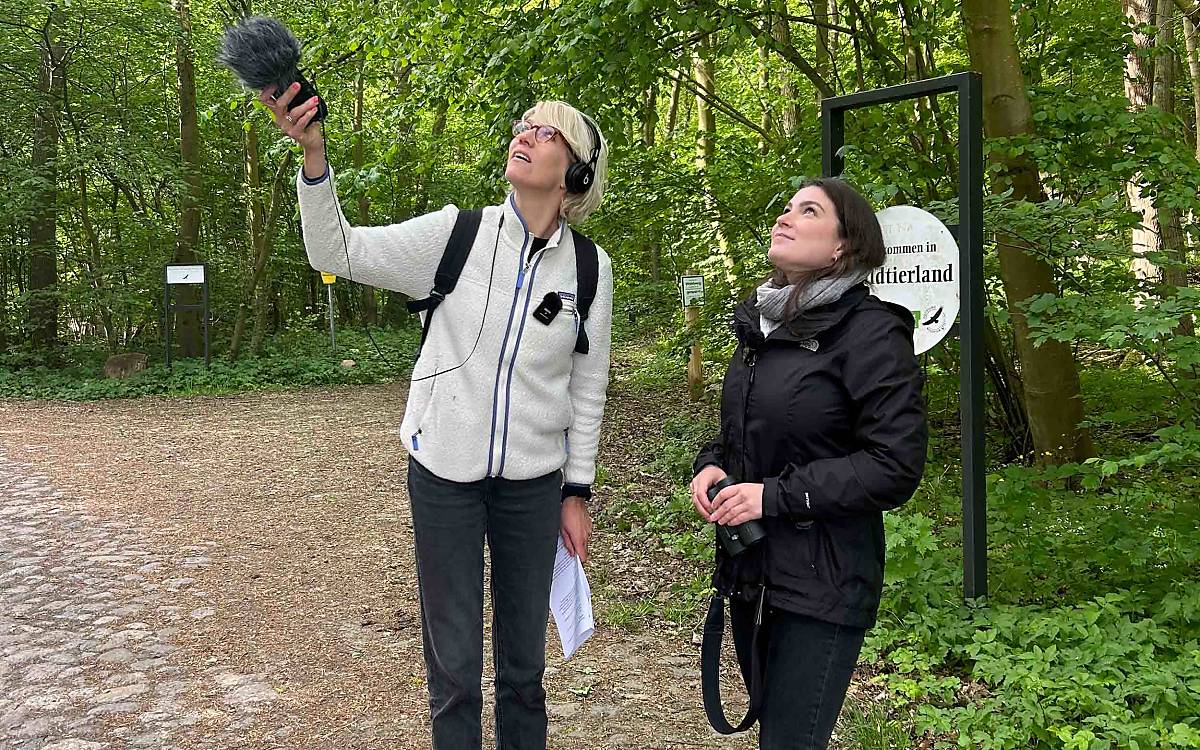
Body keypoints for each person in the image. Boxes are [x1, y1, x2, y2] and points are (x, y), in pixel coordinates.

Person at [261, 85, 612, 750]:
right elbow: (336, 251)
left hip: (534, 488)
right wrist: (314, 155)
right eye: (524, 125)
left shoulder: (591, 269)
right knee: (454, 673)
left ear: (577, 171)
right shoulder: (457, 234)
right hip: (443, 479)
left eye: (547, 133)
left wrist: (577, 492)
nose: (526, 134)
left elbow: (588, 385)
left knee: (524, 675)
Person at [689, 177, 927, 749]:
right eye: (787, 208)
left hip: (825, 580)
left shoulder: (871, 332)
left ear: (843, 246)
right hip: (755, 571)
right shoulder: (765, 327)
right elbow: (746, 432)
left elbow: (895, 463)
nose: (785, 218)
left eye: (809, 211)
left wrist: (772, 496)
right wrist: (712, 464)